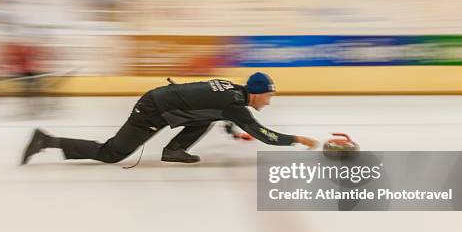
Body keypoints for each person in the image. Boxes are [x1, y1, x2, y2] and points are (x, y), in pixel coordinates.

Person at [21, 72, 318, 165]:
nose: (269, 100)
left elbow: (219, 109)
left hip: (166, 102)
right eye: (269, 95)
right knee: (112, 153)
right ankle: (46, 140)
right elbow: (265, 134)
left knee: (205, 117)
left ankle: (174, 150)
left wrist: (232, 131)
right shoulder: (236, 106)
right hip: (153, 109)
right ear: (256, 94)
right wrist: (299, 140)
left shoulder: (233, 91)